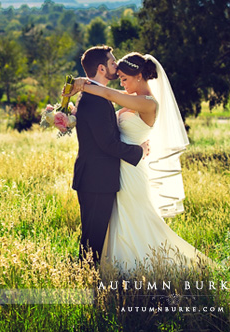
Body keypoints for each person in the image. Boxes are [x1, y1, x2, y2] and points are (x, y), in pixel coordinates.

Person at [65, 51, 210, 273]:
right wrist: (74, 112)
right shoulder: (130, 95)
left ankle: (145, 267)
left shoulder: (147, 103)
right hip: (115, 168)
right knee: (117, 222)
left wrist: (81, 85)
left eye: (124, 78)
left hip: (131, 169)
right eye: (120, 77)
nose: (121, 82)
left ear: (139, 76)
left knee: (136, 219)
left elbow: (108, 94)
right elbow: (104, 108)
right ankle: (116, 267)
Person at [71, 46, 149, 266]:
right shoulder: (95, 100)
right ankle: (88, 282)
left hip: (96, 177)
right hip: (97, 178)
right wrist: (139, 151)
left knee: (92, 238)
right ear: (101, 68)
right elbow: (107, 144)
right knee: (92, 240)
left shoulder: (98, 95)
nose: (117, 67)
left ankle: (87, 277)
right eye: (113, 63)